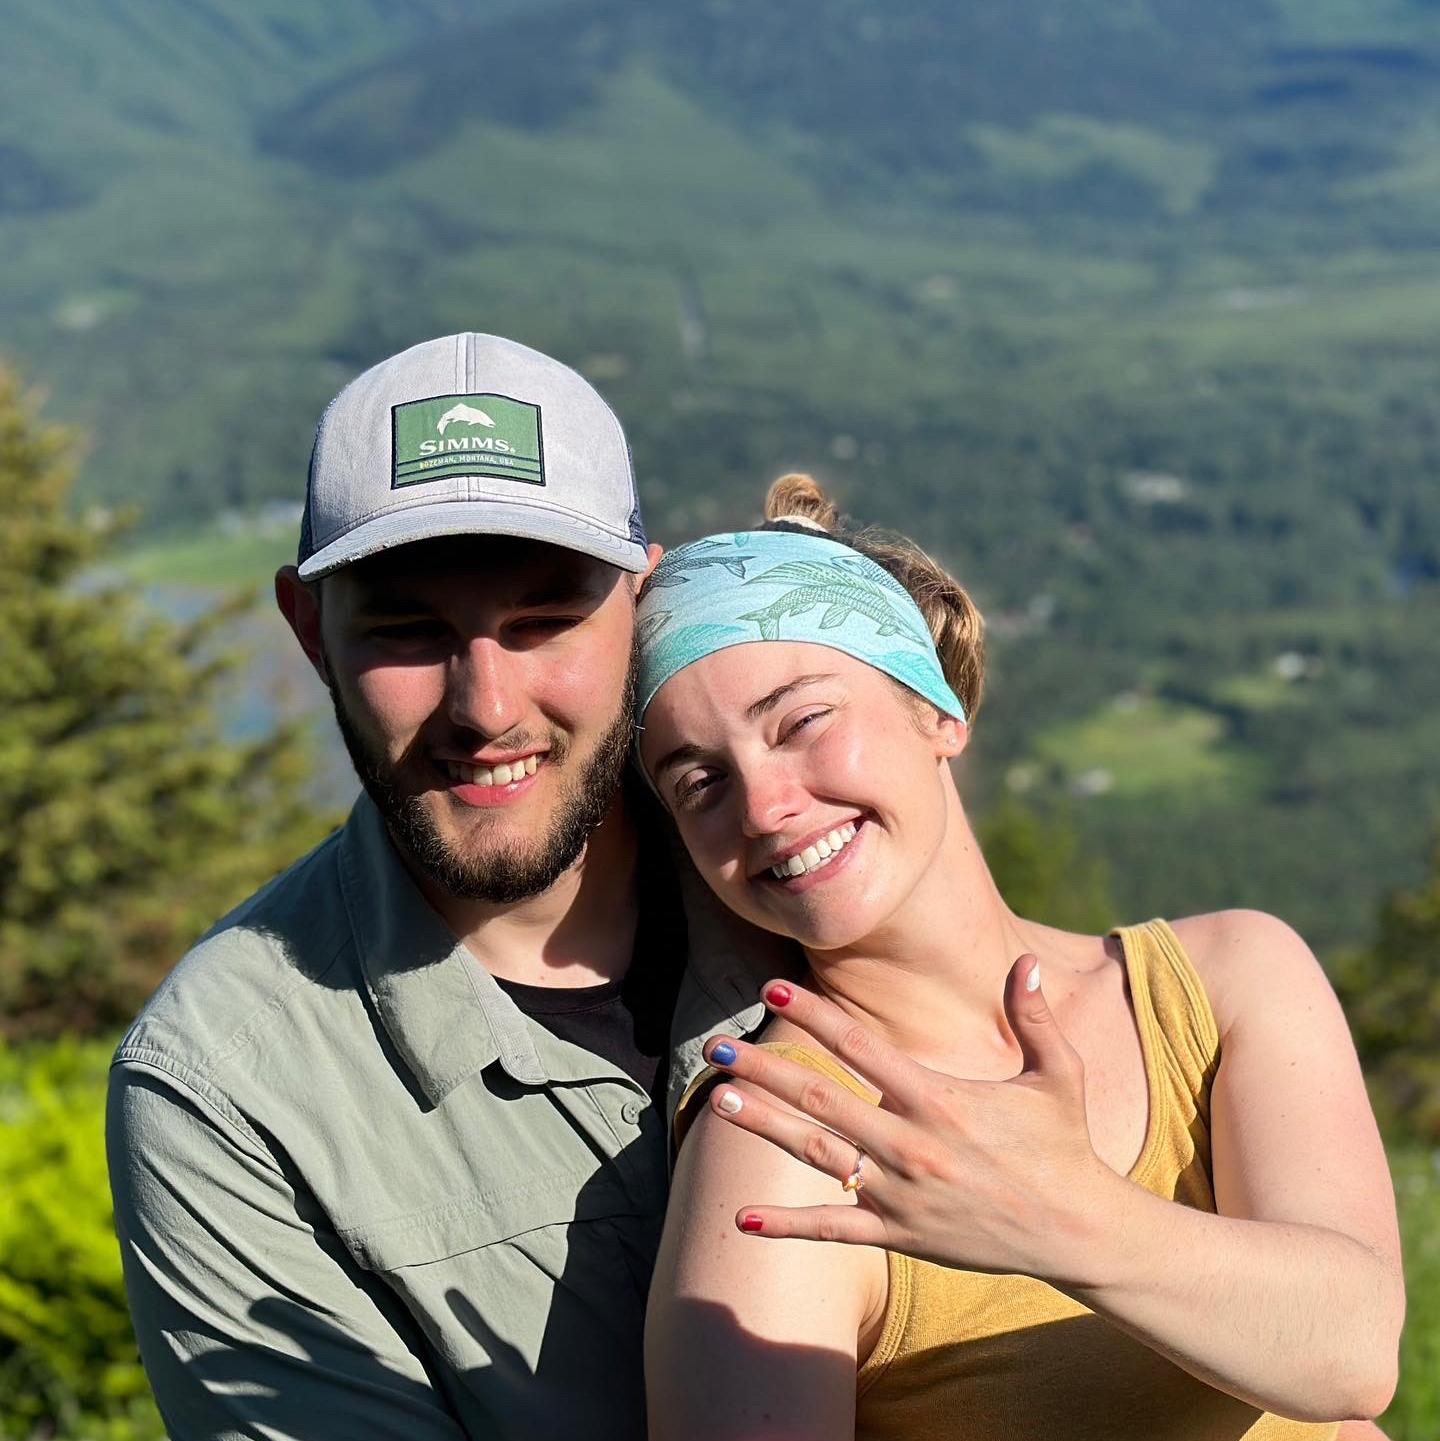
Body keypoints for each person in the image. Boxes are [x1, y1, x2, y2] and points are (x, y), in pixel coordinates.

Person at [105, 334, 782, 1440]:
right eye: (411, 630)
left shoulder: (802, 875)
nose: (487, 705)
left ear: (639, 604)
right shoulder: (225, 1092)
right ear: (309, 629)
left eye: (545, 619)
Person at [638, 474, 1405, 1441]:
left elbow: (1353, 1350)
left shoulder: (1223, 984)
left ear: (938, 710)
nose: (763, 805)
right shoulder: (792, 1139)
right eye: (699, 780)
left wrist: (1052, 1212)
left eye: (802, 722)